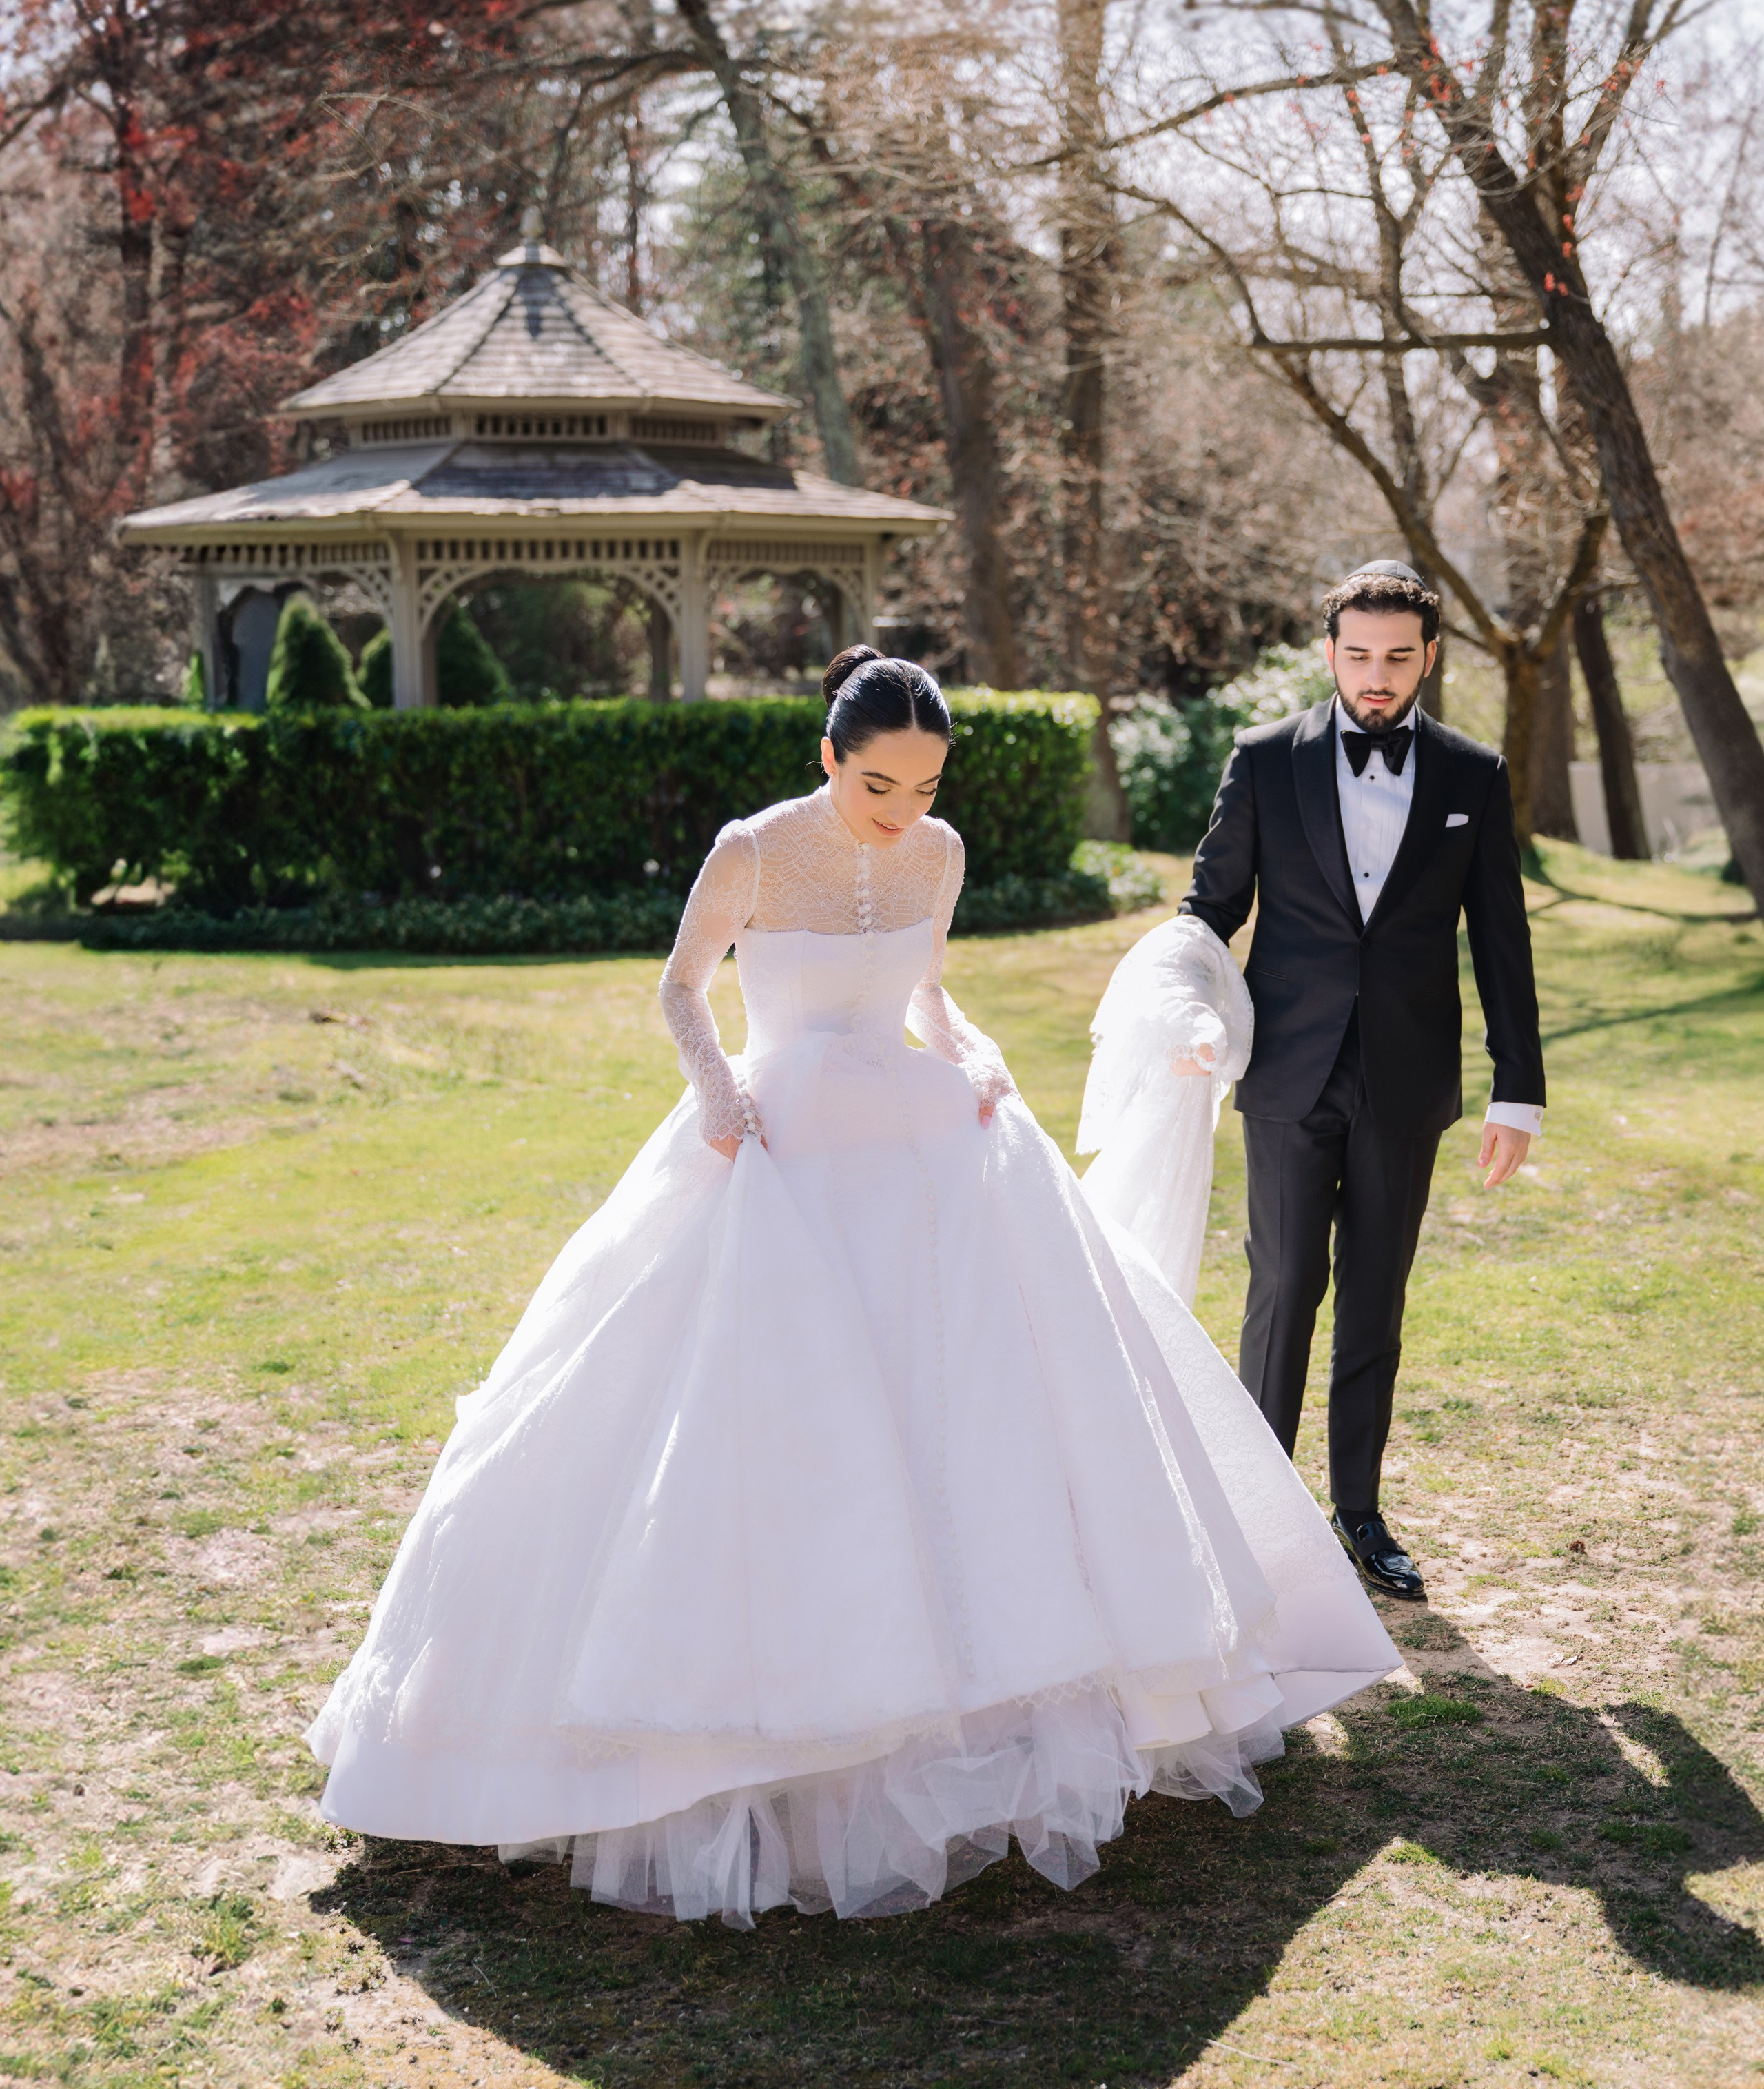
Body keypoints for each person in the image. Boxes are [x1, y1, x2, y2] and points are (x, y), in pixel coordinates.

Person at [308, 648, 1395, 1928]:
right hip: (778, 1143)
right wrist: (720, 1097)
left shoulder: (939, 855)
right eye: (881, 783)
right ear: (829, 757)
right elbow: (681, 986)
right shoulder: (754, 849)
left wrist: (975, 1057)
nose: (906, 810)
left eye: (928, 786)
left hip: (924, 1142)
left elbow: (926, 990)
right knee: (757, 1416)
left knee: (980, 1410)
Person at [1177, 564, 1546, 1602]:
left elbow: (1503, 944)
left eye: (1396, 657)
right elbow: (1208, 909)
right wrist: (1184, 1007)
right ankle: (1257, 1513)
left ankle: (1360, 1511)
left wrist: (1517, 1089)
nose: (1375, 678)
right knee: (1285, 1288)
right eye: (1356, 655)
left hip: (1408, 1079)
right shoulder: (1262, 763)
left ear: (1430, 655)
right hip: (1289, 1072)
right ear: (1329, 650)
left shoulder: (1474, 775)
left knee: (1374, 1301)